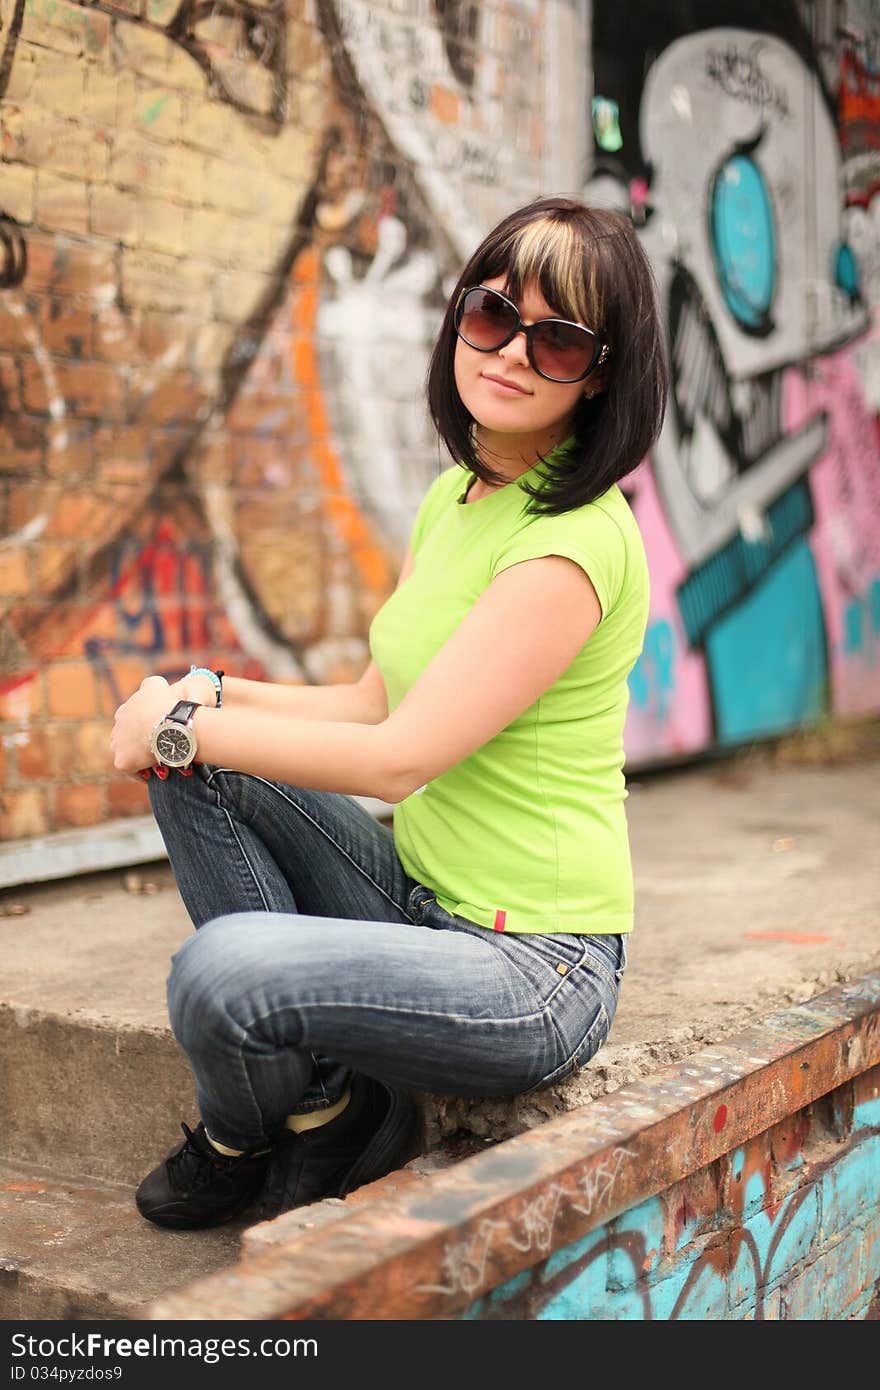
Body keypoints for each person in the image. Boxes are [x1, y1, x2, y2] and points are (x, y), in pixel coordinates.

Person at [109, 195, 669, 1231]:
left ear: (601, 373)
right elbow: (374, 699)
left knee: (219, 976)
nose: (509, 354)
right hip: (419, 899)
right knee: (196, 757)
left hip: (531, 970)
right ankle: (326, 1107)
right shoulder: (458, 493)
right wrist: (202, 695)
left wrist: (175, 725)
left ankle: (240, 1133)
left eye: (557, 339)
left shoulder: (571, 544)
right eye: (493, 315)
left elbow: (394, 758)